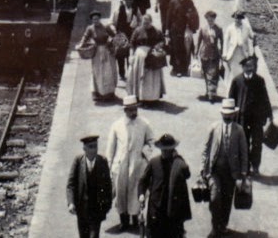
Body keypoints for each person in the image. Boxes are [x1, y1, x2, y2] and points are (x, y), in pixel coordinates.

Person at [201, 98, 249, 237]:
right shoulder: (214, 128)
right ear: (221, 114)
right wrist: (202, 169)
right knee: (215, 198)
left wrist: (243, 173)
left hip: (231, 173)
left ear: (234, 115)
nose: (227, 117)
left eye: (230, 115)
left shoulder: (239, 131)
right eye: (225, 115)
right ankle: (215, 226)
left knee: (227, 200)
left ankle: (222, 225)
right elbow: (205, 149)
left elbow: (244, 152)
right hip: (214, 170)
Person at [106, 96, 154, 232]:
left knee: (135, 192)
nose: (134, 112)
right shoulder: (117, 126)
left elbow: (151, 141)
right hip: (120, 165)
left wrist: (144, 155)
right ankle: (123, 221)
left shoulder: (144, 124)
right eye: (131, 110)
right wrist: (109, 165)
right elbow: (110, 148)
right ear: (125, 110)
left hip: (137, 164)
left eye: (135, 109)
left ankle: (135, 220)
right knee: (121, 193)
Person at [138, 134, 192, 238]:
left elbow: (187, 174)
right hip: (156, 207)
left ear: (173, 149)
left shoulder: (178, 163)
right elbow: (143, 181)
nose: (165, 152)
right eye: (163, 150)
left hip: (172, 209)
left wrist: (179, 158)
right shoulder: (154, 162)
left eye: (168, 150)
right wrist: (141, 194)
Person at [228, 55, 273, 174]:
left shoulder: (259, 80)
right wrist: (229, 115)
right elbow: (230, 99)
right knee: (244, 143)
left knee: (257, 143)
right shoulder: (237, 81)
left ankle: (256, 165)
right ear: (243, 68)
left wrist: (269, 114)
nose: (249, 69)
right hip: (242, 118)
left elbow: (265, 98)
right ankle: (245, 166)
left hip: (257, 118)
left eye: (252, 66)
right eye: (247, 66)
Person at [68, 134, 114, 238]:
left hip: (96, 210)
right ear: (84, 148)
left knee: (94, 235)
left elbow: (108, 185)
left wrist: (107, 205)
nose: (94, 150)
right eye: (90, 147)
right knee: (83, 235)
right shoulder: (78, 161)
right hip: (81, 209)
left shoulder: (102, 161)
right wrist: (71, 203)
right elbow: (71, 184)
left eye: (95, 146)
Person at [78, 12, 118, 101]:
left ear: (99, 19)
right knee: (98, 72)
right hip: (96, 53)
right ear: (92, 20)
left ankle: (109, 93)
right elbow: (85, 37)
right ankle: (98, 92)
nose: (95, 20)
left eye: (97, 19)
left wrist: (113, 43)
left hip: (107, 51)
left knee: (108, 71)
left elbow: (114, 36)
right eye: (94, 19)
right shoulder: (90, 28)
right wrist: (81, 45)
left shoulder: (106, 27)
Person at [127, 14, 165, 103]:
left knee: (151, 78)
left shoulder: (156, 31)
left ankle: (152, 98)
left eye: (147, 22)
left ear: (151, 22)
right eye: (144, 22)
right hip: (139, 57)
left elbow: (162, 41)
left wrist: (158, 46)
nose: (145, 24)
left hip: (152, 56)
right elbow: (132, 43)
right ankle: (139, 96)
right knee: (140, 77)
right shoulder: (137, 30)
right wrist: (131, 55)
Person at [164, 0, 198, 77]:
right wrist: (167, 30)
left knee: (186, 49)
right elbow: (168, 17)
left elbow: (194, 15)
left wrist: (191, 25)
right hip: (175, 29)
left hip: (185, 29)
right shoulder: (173, 2)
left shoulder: (189, 2)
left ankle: (184, 68)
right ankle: (176, 69)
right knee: (175, 48)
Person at [194, 10, 224, 101]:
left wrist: (222, 53)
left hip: (215, 54)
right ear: (206, 19)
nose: (210, 21)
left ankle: (212, 93)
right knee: (206, 74)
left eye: (212, 19)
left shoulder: (218, 29)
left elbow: (222, 42)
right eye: (208, 19)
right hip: (204, 53)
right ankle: (208, 91)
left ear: (214, 19)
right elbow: (198, 41)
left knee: (214, 74)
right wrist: (196, 53)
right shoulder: (203, 29)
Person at [221, 11, 255, 84]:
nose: (237, 20)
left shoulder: (246, 27)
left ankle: (240, 89)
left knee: (241, 72)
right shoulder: (230, 28)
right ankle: (231, 89)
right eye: (236, 18)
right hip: (233, 53)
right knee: (233, 72)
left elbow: (252, 37)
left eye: (239, 18)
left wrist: (250, 52)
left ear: (242, 19)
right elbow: (225, 41)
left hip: (243, 53)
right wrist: (224, 53)